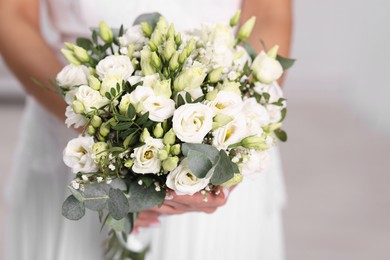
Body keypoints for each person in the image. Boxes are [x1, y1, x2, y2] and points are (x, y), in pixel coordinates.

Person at [0, 0, 292, 259]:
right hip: (78, 135)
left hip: (221, 119)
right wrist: (110, 132)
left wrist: (226, 141)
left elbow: (269, 13)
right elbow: (11, 14)